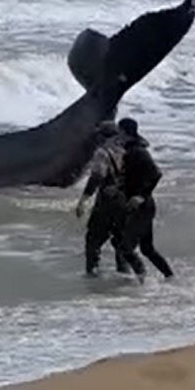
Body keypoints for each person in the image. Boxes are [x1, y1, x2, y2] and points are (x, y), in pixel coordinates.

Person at [74, 120, 144, 280]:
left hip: (108, 203)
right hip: (128, 202)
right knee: (122, 243)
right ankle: (130, 277)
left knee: (93, 241)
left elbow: (98, 176)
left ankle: (92, 276)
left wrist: (83, 200)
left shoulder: (103, 152)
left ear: (101, 136)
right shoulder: (131, 151)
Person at [115, 117, 175, 279]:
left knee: (125, 249)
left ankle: (143, 280)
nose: (117, 135)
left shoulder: (137, 152)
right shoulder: (131, 150)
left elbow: (156, 174)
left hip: (142, 207)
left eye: (119, 131)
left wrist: (140, 196)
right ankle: (170, 277)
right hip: (143, 207)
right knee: (147, 249)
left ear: (125, 132)